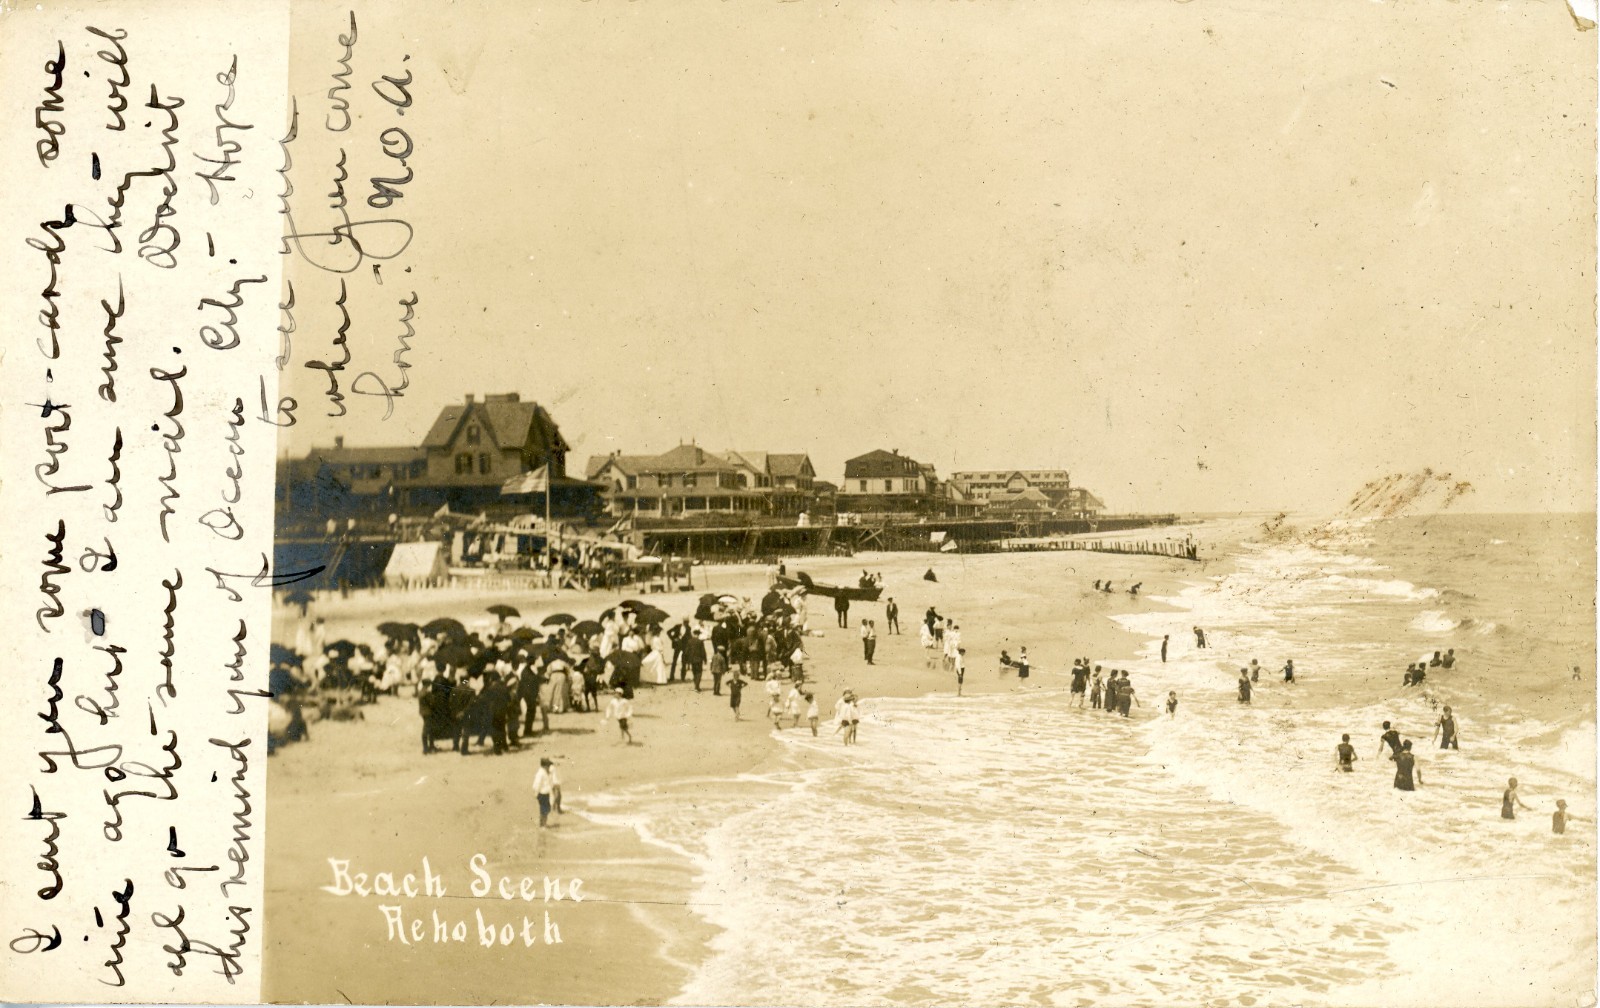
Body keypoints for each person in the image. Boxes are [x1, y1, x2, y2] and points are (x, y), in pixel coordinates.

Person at [533, 758, 557, 828]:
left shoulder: (545, 772)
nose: (549, 767)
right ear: (544, 765)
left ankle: (543, 824)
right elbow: (537, 784)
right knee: (544, 810)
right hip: (542, 794)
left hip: (545, 793)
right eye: (548, 765)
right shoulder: (540, 773)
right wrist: (536, 793)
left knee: (546, 809)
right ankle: (542, 825)